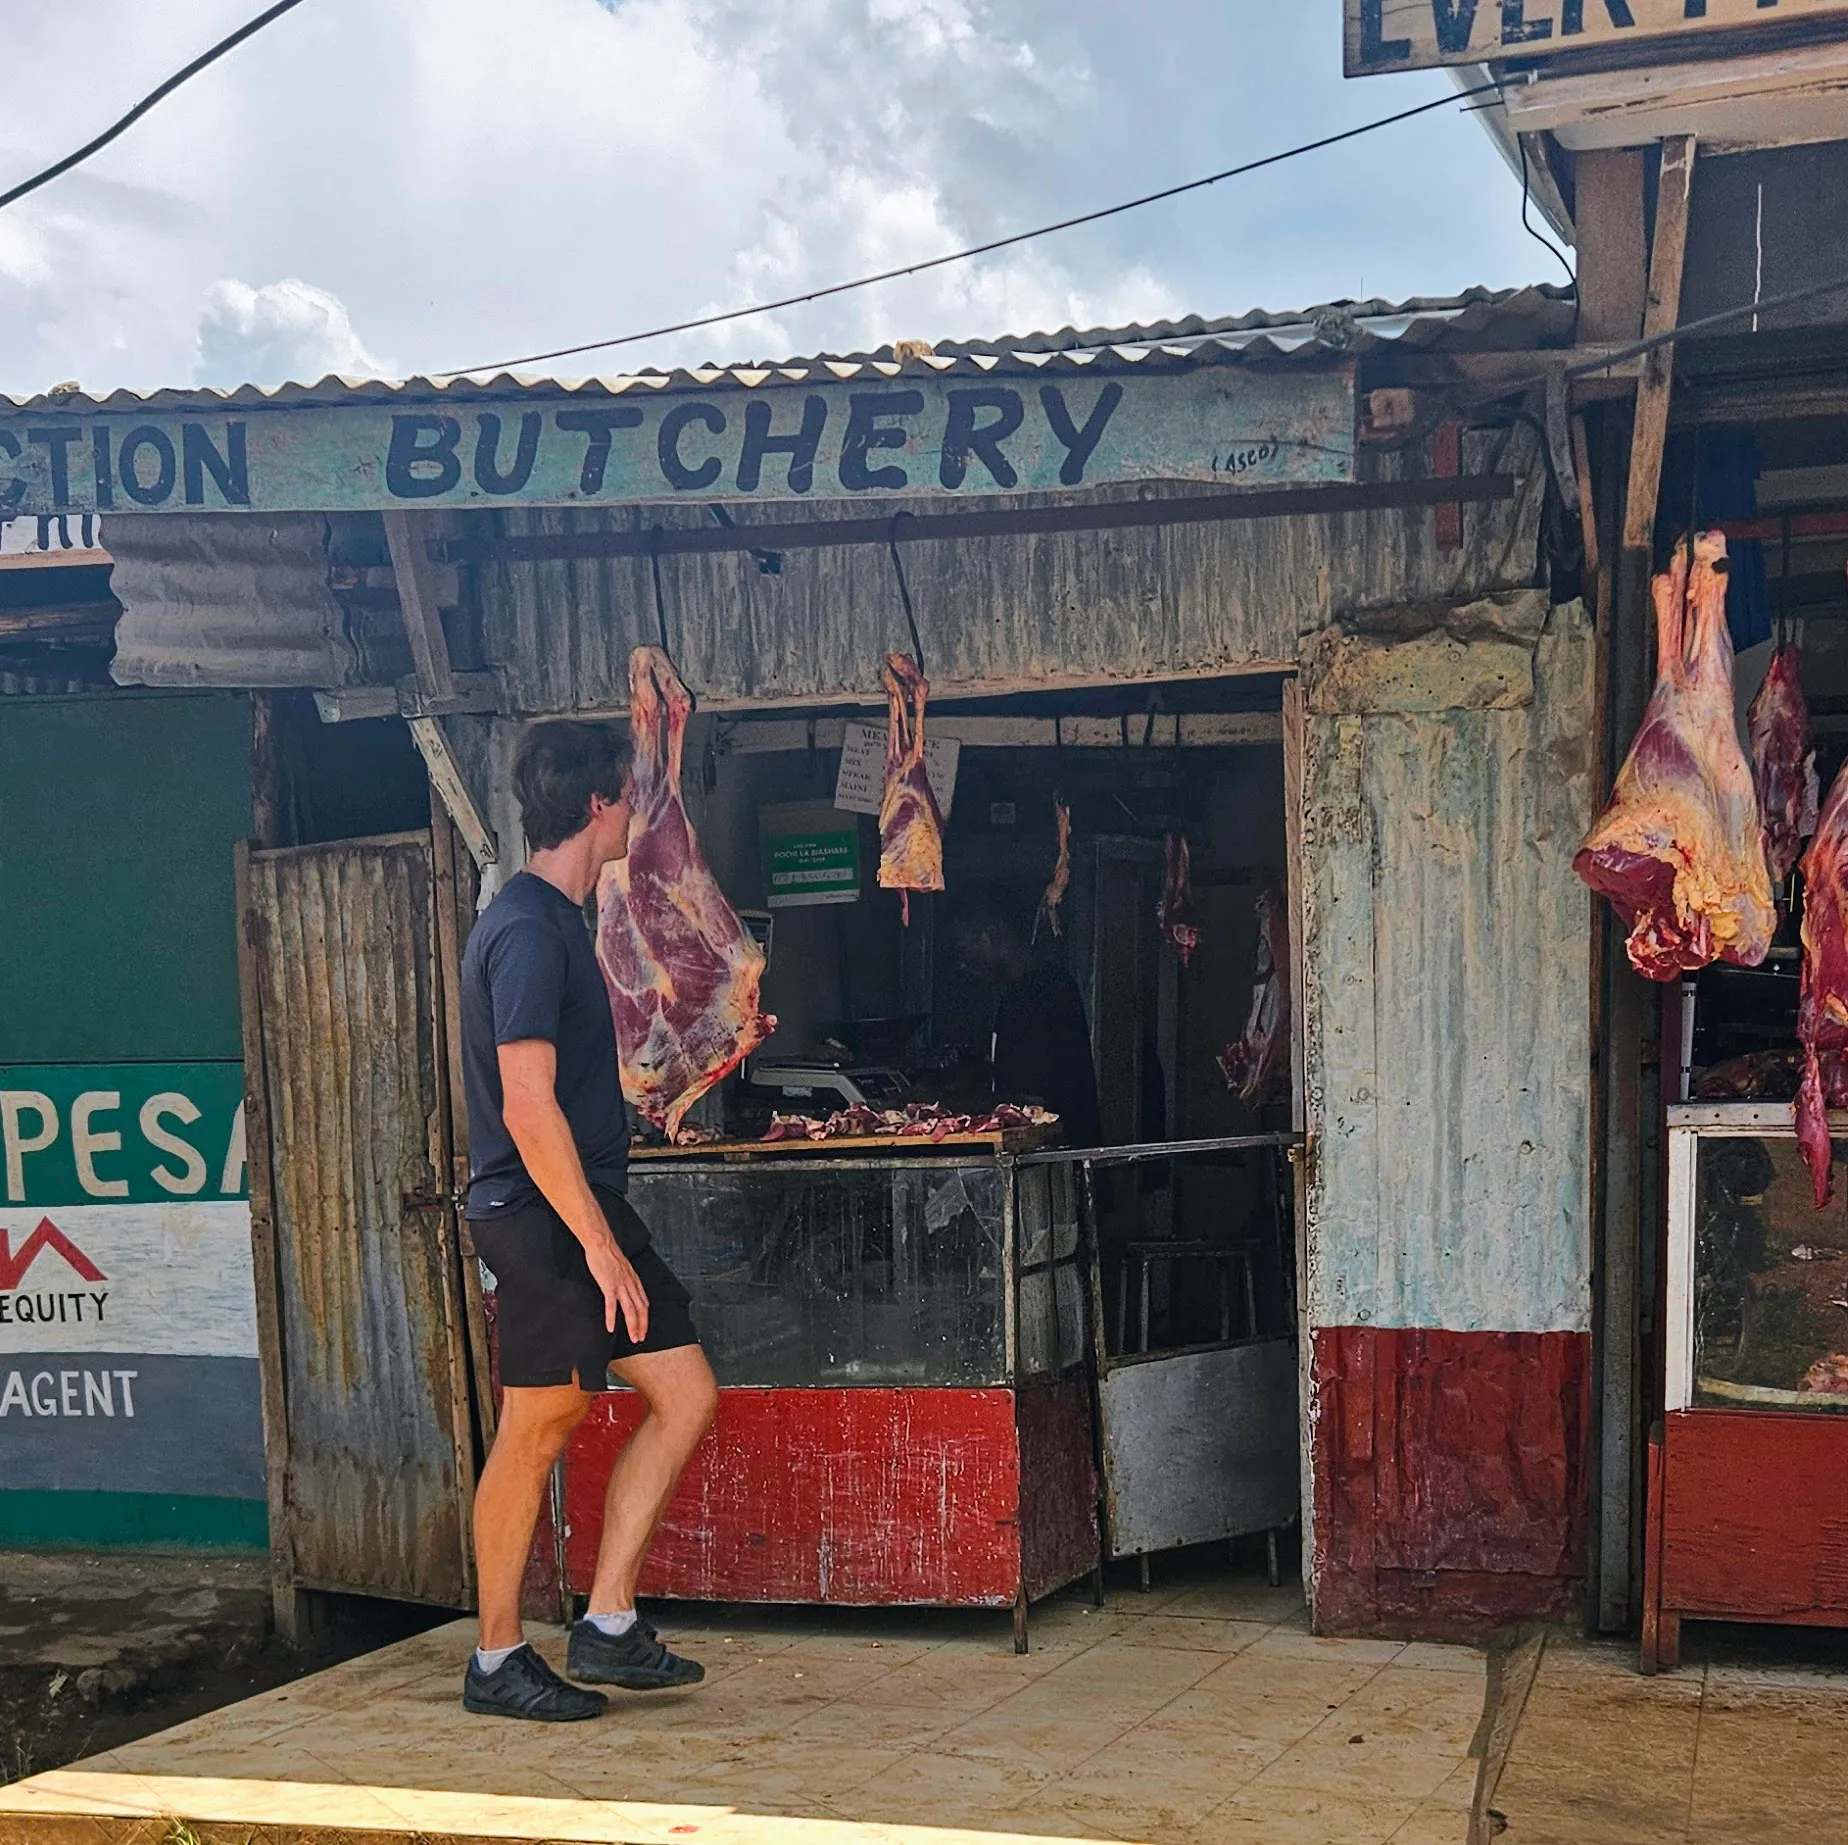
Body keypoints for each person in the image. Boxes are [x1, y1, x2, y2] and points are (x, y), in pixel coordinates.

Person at [459, 720, 718, 1722]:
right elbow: (526, 1107)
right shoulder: (525, 927)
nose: (636, 809)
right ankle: (494, 1660)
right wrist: (598, 1245)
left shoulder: (561, 918)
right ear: (597, 805)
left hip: (584, 1207)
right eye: (629, 793)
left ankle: (607, 1627)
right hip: (542, 1217)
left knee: (685, 1391)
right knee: (539, 1425)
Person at [951, 885, 1103, 1149]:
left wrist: (948, 1101)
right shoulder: (1028, 990)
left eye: (965, 949)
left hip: (1054, 1156)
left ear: (991, 935)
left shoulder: (1040, 994)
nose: (963, 964)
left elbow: (1032, 1102)